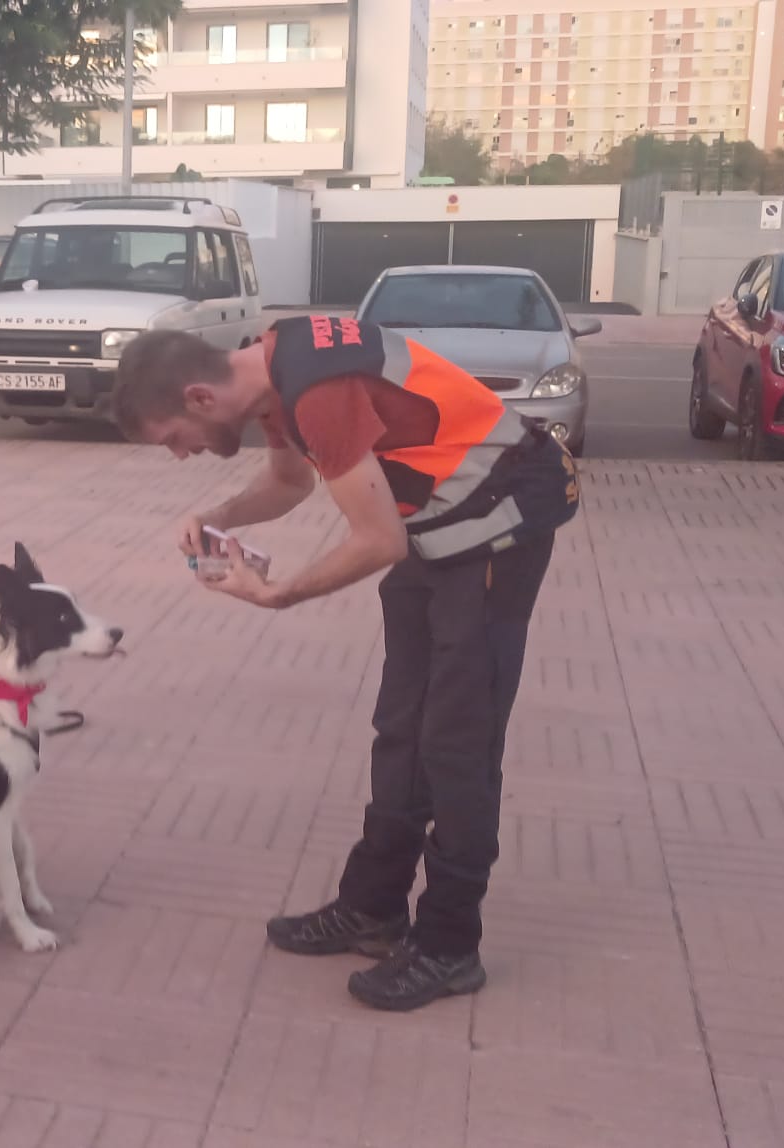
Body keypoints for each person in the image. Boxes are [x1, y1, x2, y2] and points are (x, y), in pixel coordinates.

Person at [114, 318, 579, 1012]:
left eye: (172, 439)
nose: (181, 455)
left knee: (457, 740)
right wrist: (221, 516)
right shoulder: (272, 375)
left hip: (498, 523)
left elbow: (378, 539)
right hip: (438, 525)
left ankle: (450, 945)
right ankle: (373, 908)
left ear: (200, 398)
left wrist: (282, 594)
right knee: (401, 725)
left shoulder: (315, 390)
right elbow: (287, 483)